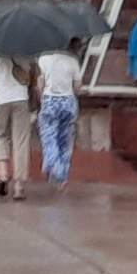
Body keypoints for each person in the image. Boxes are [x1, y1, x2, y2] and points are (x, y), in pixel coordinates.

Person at [0, 49, 34, 199]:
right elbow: (31, 72)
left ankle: (3, 174)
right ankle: (19, 186)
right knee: (21, 141)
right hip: (20, 98)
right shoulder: (25, 48)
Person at [35, 44, 83, 185]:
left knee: (49, 136)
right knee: (66, 139)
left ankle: (56, 168)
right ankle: (63, 174)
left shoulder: (43, 59)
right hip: (68, 101)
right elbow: (77, 86)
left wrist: (42, 98)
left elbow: (40, 83)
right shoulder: (73, 61)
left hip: (50, 100)